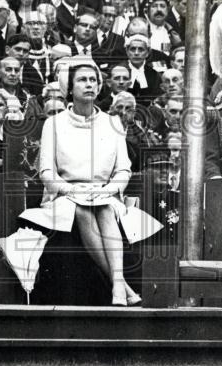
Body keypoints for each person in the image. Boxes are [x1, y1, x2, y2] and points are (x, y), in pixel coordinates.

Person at [27, 56, 160, 306]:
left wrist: (108, 190)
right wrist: (72, 190)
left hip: (105, 194)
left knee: (104, 207)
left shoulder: (113, 123)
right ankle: (120, 285)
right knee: (81, 210)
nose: (89, 85)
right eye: (82, 80)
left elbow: (123, 170)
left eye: (93, 80)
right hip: (64, 196)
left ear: (100, 86)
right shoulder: (53, 124)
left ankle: (119, 284)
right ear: (69, 88)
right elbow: (46, 172)